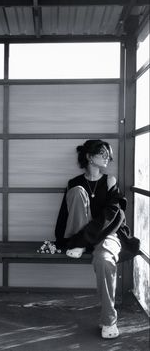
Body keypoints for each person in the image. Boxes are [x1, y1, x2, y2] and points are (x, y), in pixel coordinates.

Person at [54, 139, 140, 339]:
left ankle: (109, 321)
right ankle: (81, 244)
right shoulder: (74, 184)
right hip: (79, 234)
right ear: (89, 157)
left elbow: (113, 215)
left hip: (107, 234)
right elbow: (64, 215)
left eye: (108, 154)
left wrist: (82, 241)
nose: (108, 158)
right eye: (102, 153)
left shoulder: (110, 181)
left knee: (104, 260)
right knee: (77, 192)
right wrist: (62, 241)